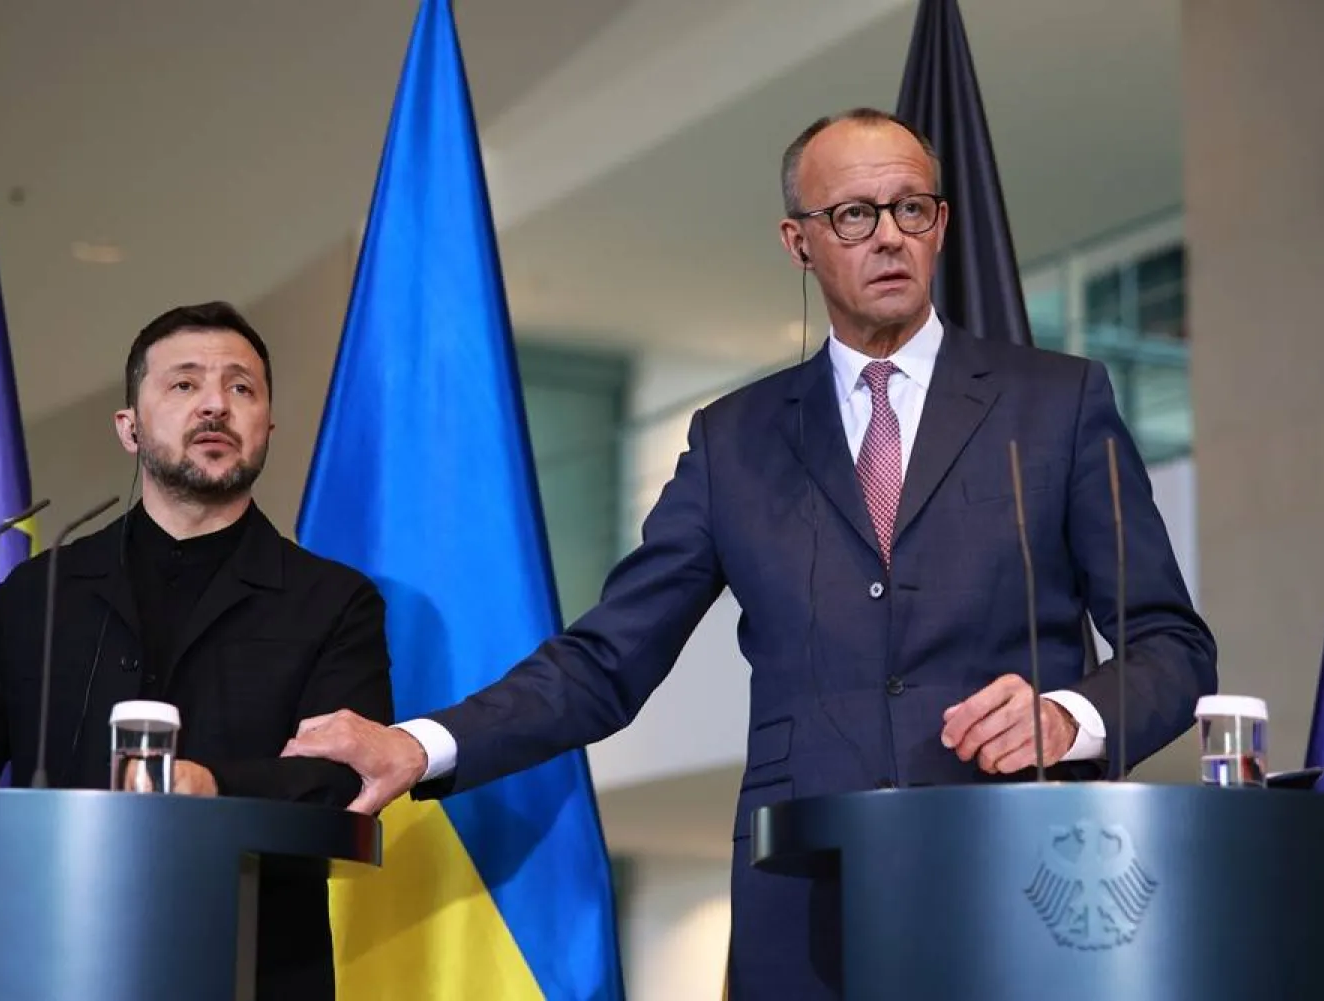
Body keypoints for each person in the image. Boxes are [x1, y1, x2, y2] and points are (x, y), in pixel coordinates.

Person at [281, 108, 1217, 999]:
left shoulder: (1057, 402)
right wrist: (421, 741)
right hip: (802, 894)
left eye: (912, 208)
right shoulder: (733, 439)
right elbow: (608, 659)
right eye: (854, 214)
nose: (888, 235)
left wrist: (1069, 716)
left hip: (1019, 871)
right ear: (798, 240)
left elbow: (1172, 647)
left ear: (941, 224)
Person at [0, 301, 392, 1001]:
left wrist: (211, 786)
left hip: (255, 963)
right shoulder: (42, 587)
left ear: (268, 426)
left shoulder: (334, 600)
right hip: (47, 956)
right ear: (129, 426)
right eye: (184, 384)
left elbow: (342, 779)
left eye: (241, 387)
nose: (215, 404)